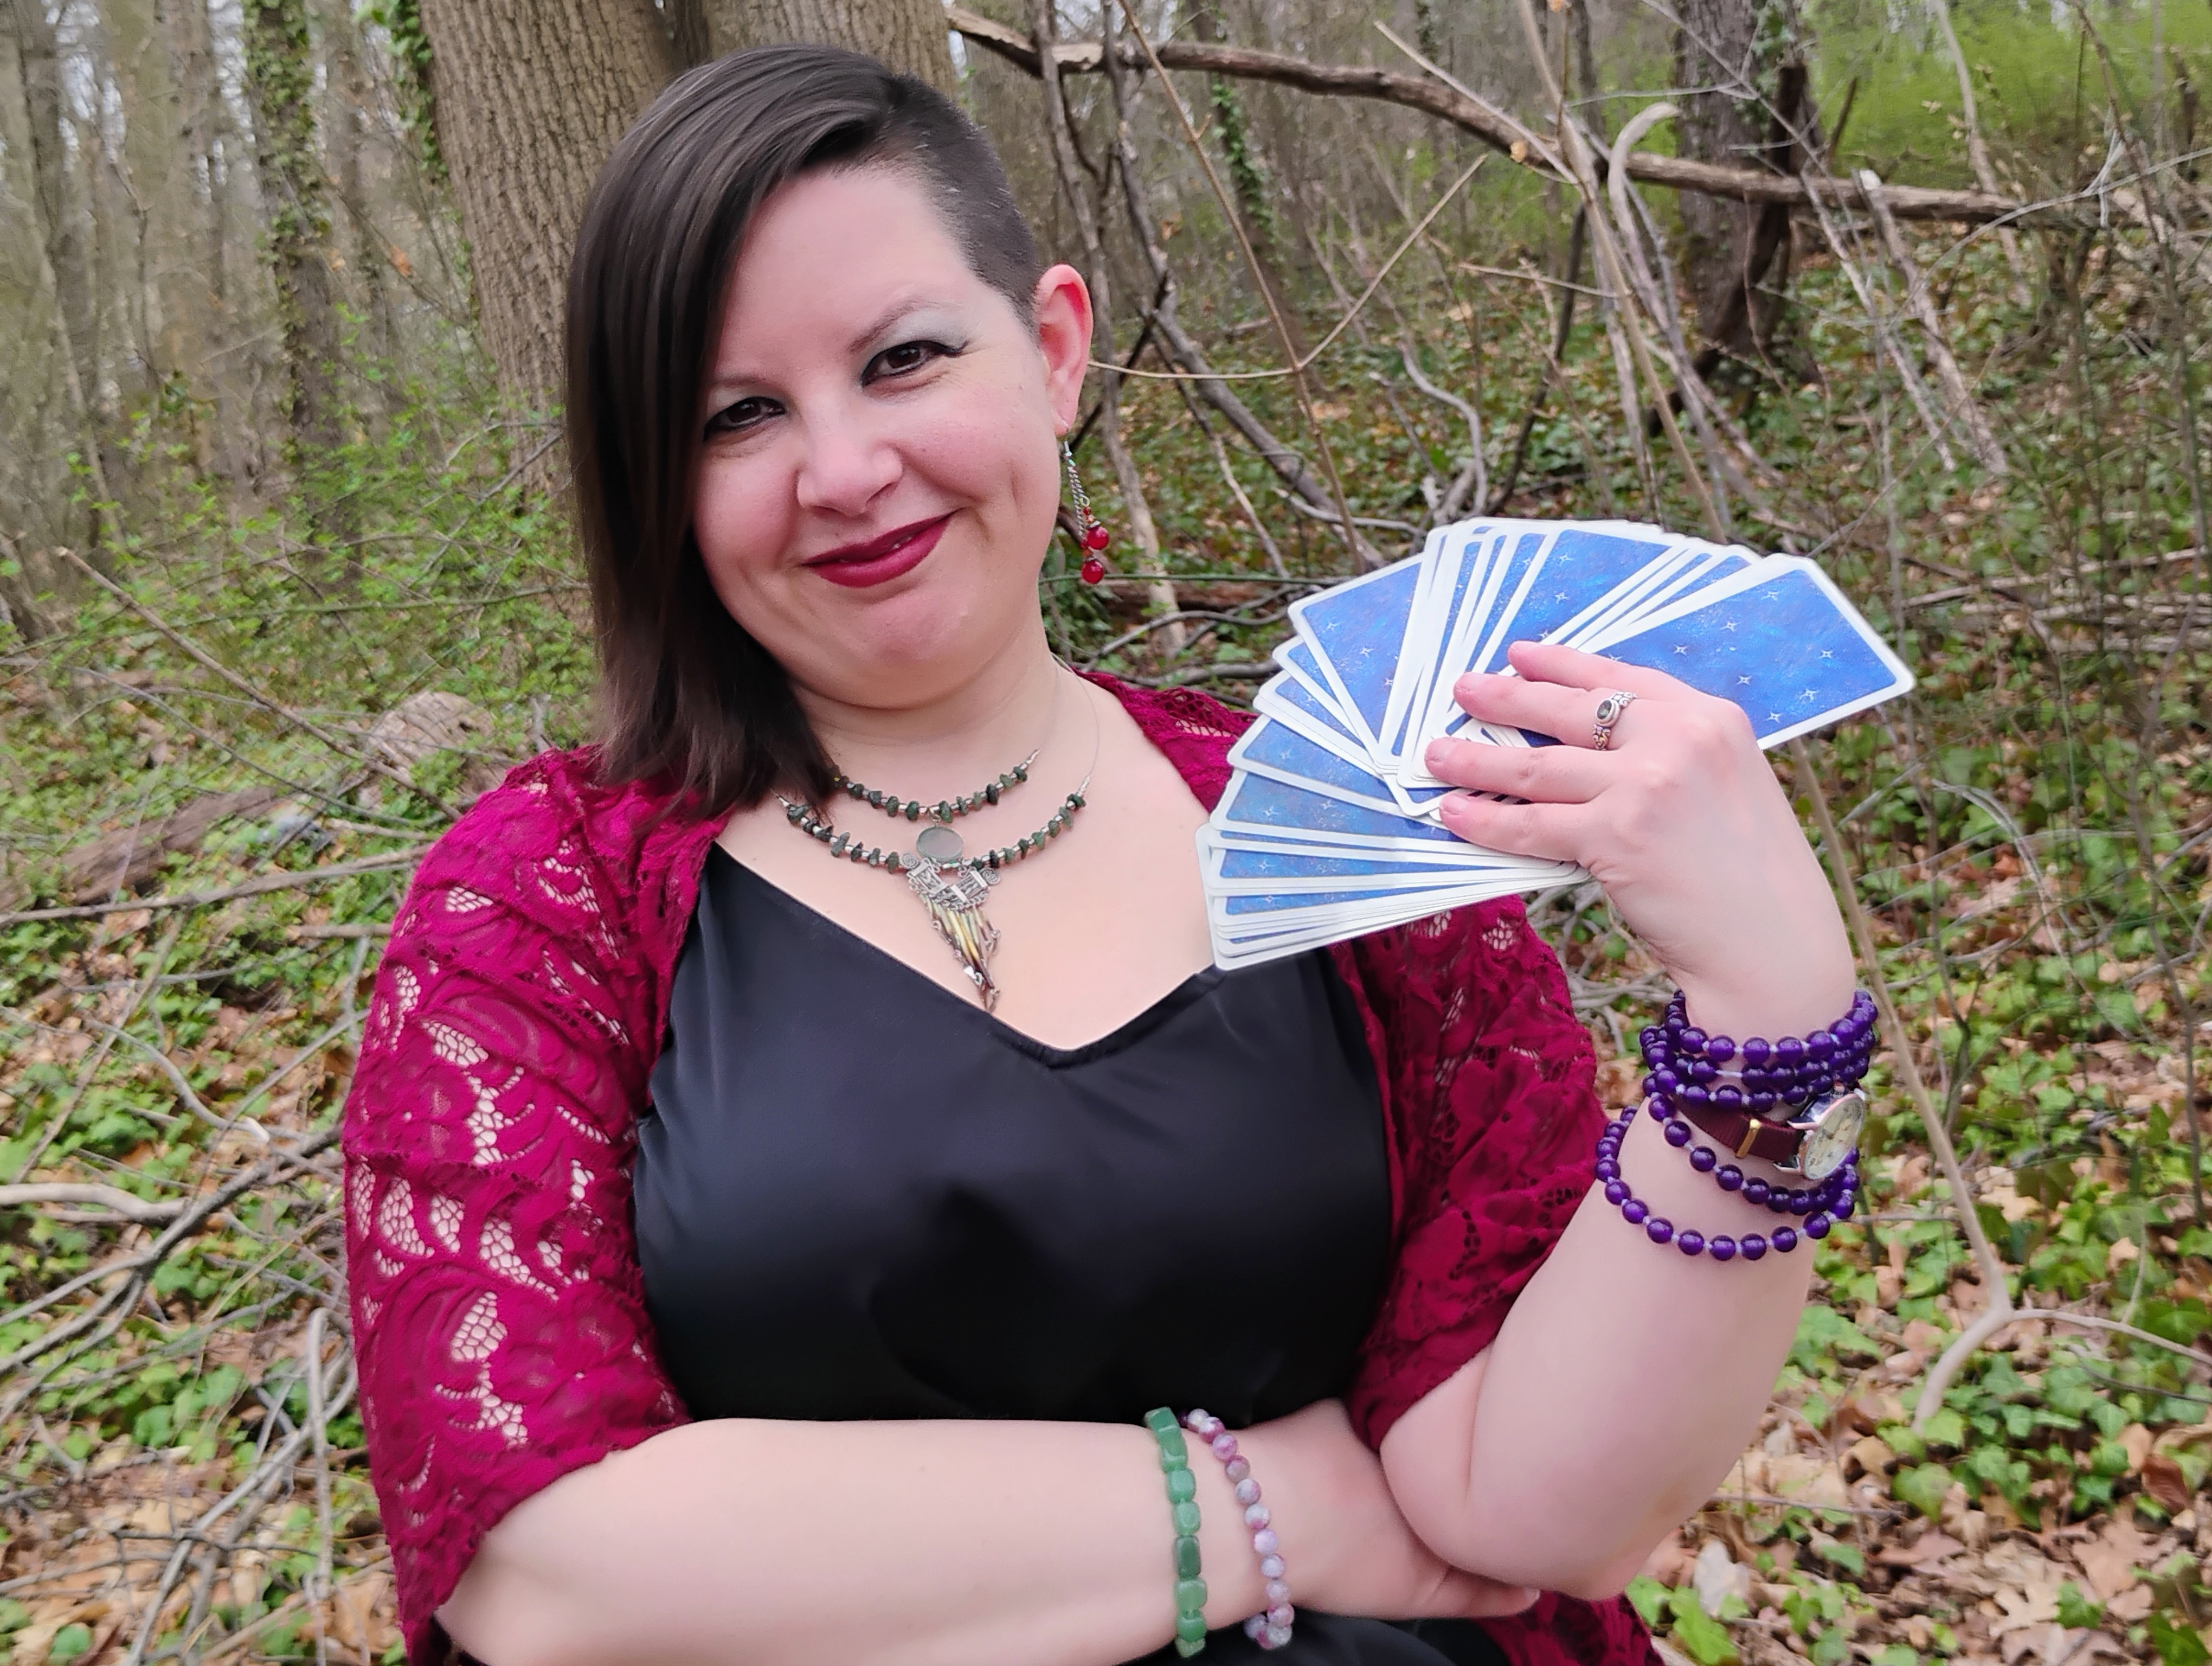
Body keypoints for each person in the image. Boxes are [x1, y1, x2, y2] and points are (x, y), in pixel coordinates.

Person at [341, 44, 1864, 1666]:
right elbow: (543, 1569)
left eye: (905, 358)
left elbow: (1529, 1516)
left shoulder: (1344, 824)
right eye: (739, 415)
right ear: (660, 483)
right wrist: (1259, 1510)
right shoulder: (541, 903)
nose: (844, 472)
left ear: (1057, 348)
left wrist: (1773, 1022)